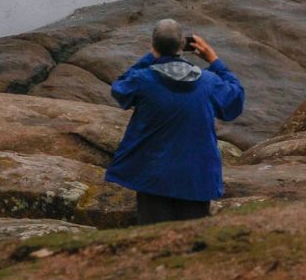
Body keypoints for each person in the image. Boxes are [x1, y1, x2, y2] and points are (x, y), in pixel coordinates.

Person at [105, 18, 245, 224]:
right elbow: (235, 99)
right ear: (182, 45)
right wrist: (214, 60)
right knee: (191, 236)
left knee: (154, 236)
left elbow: (120, 88)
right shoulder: (209, 82)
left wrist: (150, 57)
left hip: (152, 176)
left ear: (154, 45)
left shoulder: (143, 80)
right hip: (196, 177)